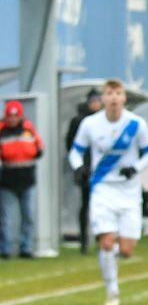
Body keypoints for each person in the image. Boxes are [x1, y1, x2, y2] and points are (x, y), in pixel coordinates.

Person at [67, 79, 148, 305]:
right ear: (103, 98)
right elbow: (75, 152)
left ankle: (112, 256)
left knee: (126, 250)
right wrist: (79, 168)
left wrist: (135, 168)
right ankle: (112, 289)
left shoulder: (136, 124)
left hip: (128, 192)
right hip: (103, 188)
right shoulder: (90, 124)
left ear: (124, 98)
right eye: (109, 93)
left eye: (118, 93)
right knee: (107, 242)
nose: (114, 98)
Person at [0, 99, 45, 259]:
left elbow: (40, 148)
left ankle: (26, 247)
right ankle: (5, 249)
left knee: (29, 215)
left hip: (27, 179)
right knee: (6, 218)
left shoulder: (28, 129)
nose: (12, 119)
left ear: (20, 116)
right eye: (9, 116)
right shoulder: (1, 130)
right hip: (8, 180)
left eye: (15, 116)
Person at [65, 89, 103, 254]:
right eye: (93, 101)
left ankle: (103, 238)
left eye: (98, 101)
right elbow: (72, 146)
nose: (95, 104)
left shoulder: (105, 120)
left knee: (102, 205)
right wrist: (79, 166)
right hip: (86, 170)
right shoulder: (79, 121)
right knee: (86, 205)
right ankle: (84, 240)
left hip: (102, 170)